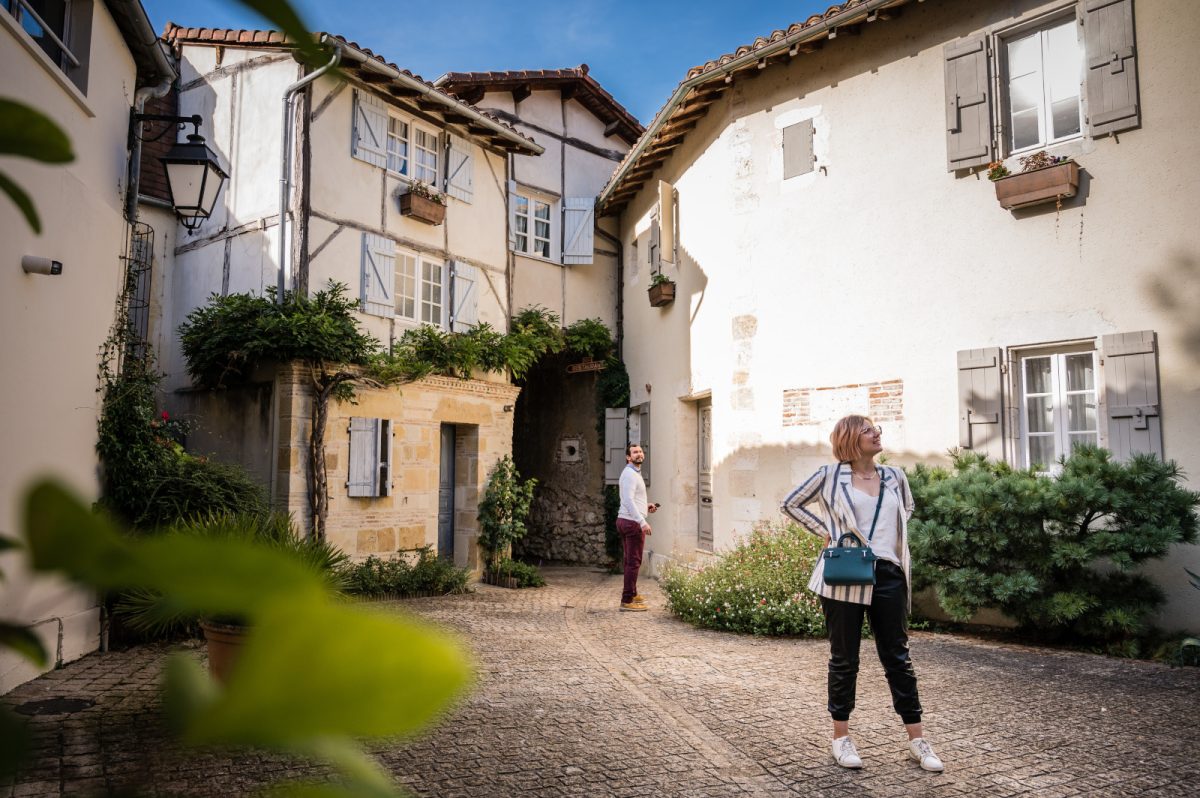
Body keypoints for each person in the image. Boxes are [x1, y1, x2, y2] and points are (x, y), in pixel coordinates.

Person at [780, 414, 944, 773]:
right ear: (852, 438)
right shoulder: (829, 476)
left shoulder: (895, 476)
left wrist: (887, 543)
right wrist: (828, 529)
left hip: (889, 573)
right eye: (869, 430)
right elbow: (790, 503)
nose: (877, 433)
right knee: (844, 659)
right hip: (845, 572)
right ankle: (841, 738)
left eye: (877, 429)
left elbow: (907, 509)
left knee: (898, 658)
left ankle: (917, 740)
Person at [616, 442, 657, 612]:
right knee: (634, 562)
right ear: (628, 457)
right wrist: (642, 522)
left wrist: (645, 506)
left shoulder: (633, 473)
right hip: (631, 524)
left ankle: (632, 593)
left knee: (630, 561)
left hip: (627, 520)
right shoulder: (630, 475)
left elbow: (632, 499)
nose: (639, 454)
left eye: (640, 451)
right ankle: (627, 600)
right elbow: (627, 500)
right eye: (634, 452)